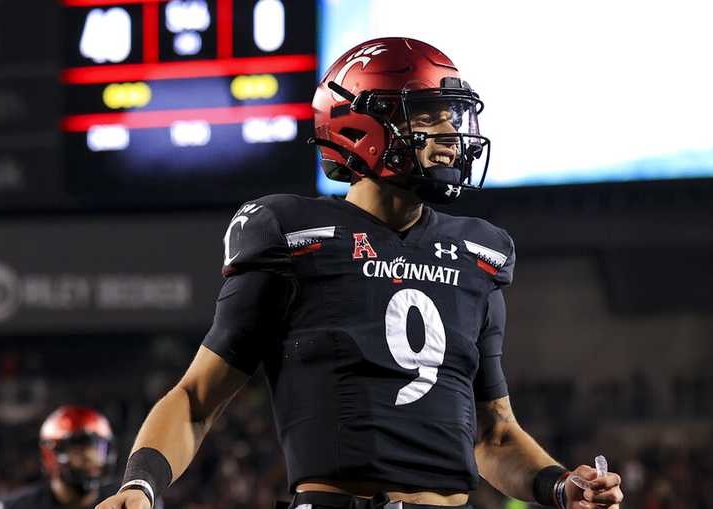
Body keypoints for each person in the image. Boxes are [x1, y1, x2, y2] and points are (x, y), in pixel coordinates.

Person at [97, 37, 625, 509]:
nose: (452, 135)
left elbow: (495, 434)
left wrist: (560, 486)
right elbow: (195, 400)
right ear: (362, 124)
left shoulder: (479, 252)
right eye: (428, 117)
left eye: (454, 117)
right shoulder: (292, 234)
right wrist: (139, 485)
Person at [0, 406, 119, 509]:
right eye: (78, 450)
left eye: (99, 449)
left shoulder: (126, 502)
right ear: (51, 455)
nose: (92, 457)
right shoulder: (14, 506)